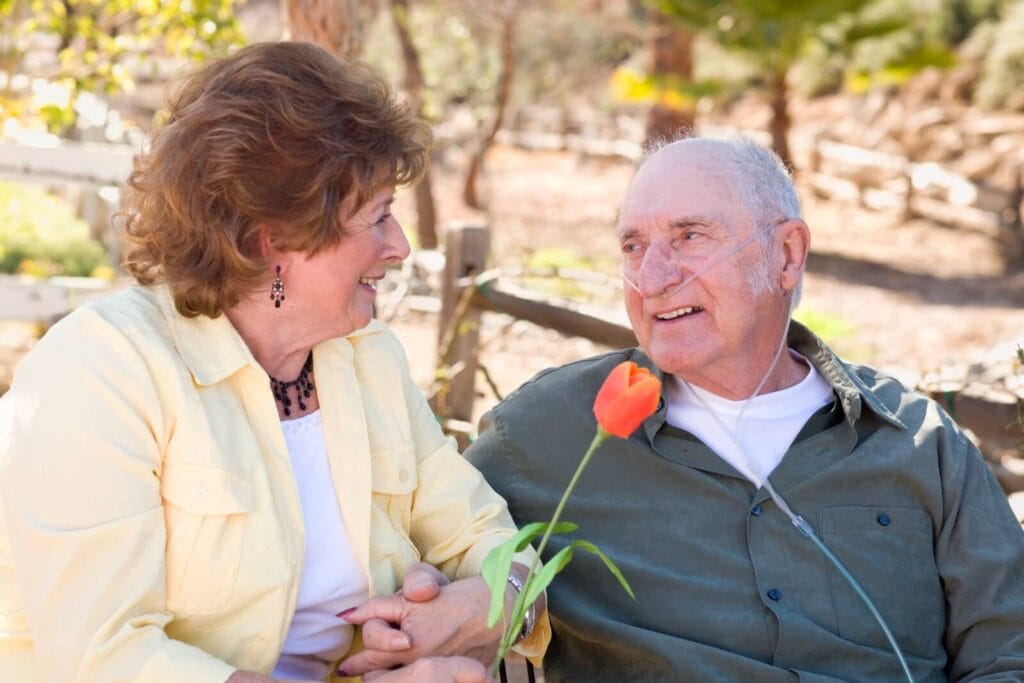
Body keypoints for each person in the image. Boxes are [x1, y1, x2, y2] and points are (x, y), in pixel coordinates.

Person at [0, 42, 546, 683]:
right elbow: (102, 655)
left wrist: (480, 606)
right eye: (378, 218)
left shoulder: (366, 355)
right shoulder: (102, 370)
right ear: (275, 241)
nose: (398, 247)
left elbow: (493, 541)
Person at [457, 136, 1024, 681]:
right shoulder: (542, 433)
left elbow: (1010, 652)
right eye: (633, 246)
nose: (651, 278)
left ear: (786, 254)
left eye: (690, 236)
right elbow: (420, 557)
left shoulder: (920, 442)